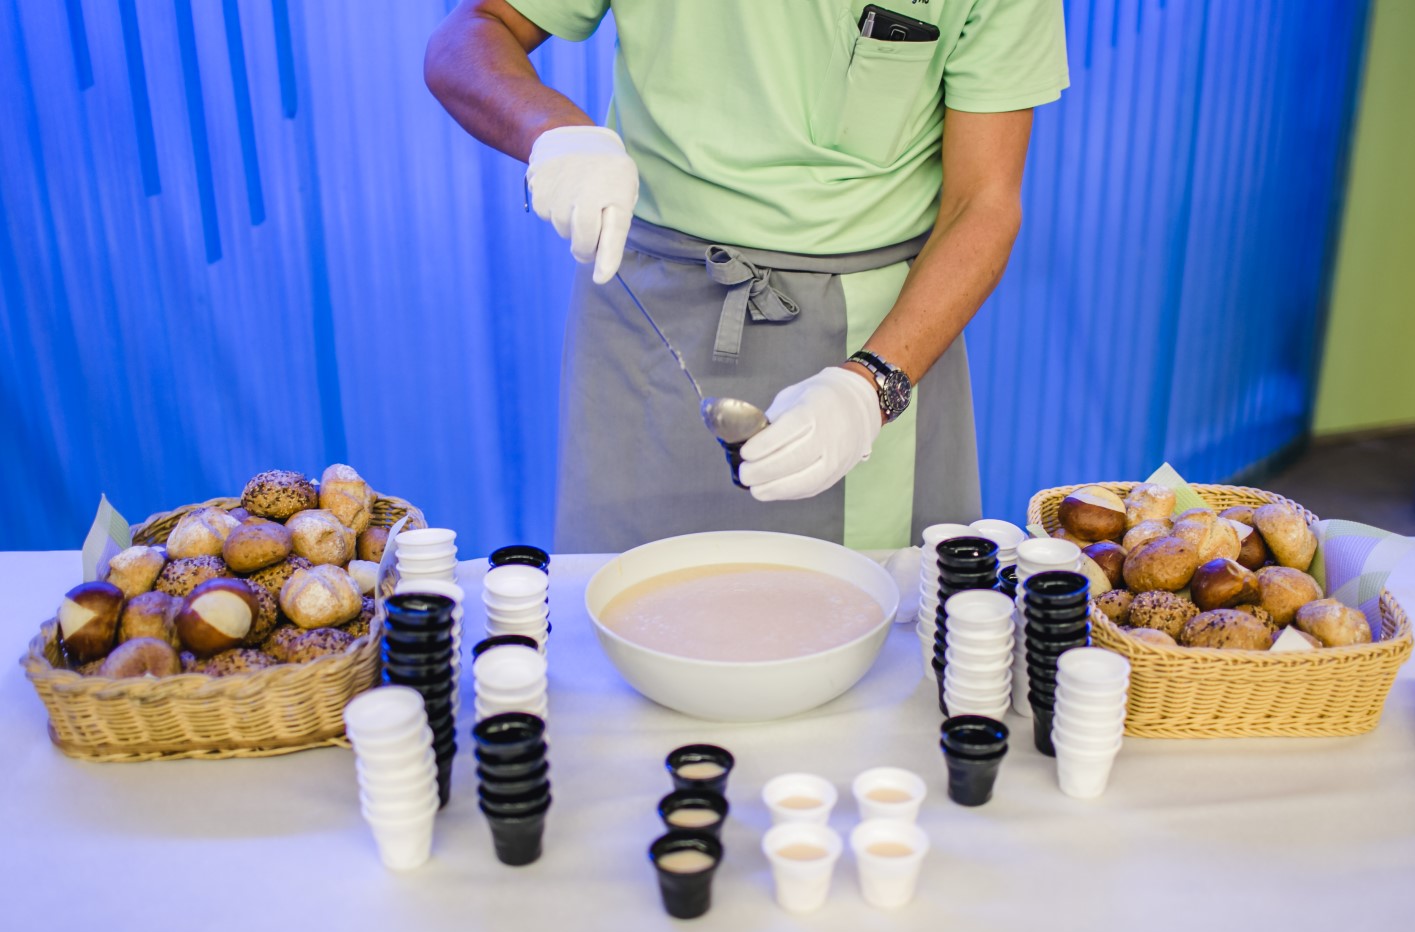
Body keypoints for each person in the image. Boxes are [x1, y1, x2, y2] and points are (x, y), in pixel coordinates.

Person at [425, 1, 1068, 553]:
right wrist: (556, 134)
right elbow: (471, 32)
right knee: (622, 622)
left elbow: (983, 202)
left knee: (883, 633)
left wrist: (869, 391)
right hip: (648, 334)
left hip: (883, 339)